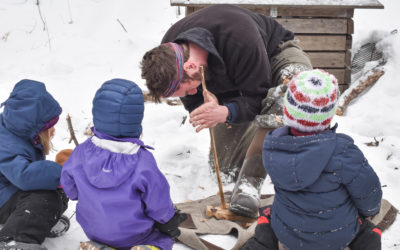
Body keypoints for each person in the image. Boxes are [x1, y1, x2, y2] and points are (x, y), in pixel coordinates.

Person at [140, 4, 313, 218]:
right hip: (238, 87)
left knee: (293, 90)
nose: (189, 93)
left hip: (274, 56)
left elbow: (259, 96)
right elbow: (194, 100)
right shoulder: (170, 50)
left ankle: (250, 184)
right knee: (226, 170)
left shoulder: (238, 35)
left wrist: (227, 112)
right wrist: (208, 108)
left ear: (190, 67)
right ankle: (266, 140)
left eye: (187, 89)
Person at [243, 69, 382, 250]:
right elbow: (369, 193)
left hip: (289, 234)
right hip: (338, 236)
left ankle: (262, 244)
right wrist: (368, 213)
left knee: (268, 215)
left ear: (287, 109)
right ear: (329, 114)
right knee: (368, 233)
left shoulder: (272, 146)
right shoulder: (343, 152)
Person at [60, 79, 187, 250]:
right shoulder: (142, 161)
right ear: (136, 117)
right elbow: (158, 201)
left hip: (93, 229)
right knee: (162, 239)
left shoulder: (81, 152)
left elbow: (71, 189)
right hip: (135, 235)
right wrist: (169, 220)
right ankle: (150, 247)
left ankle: (98, 245)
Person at [0, 80, 68, 250]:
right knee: (45, 198)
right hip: (3, 195)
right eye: (50, 127)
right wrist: (61, 172)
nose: (54, 131)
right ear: (35, 127)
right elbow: (24, 176)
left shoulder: (19, 132)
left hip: (11, 189)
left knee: (58, 192)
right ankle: (14, 238)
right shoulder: (5, 143)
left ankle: (37, 223)